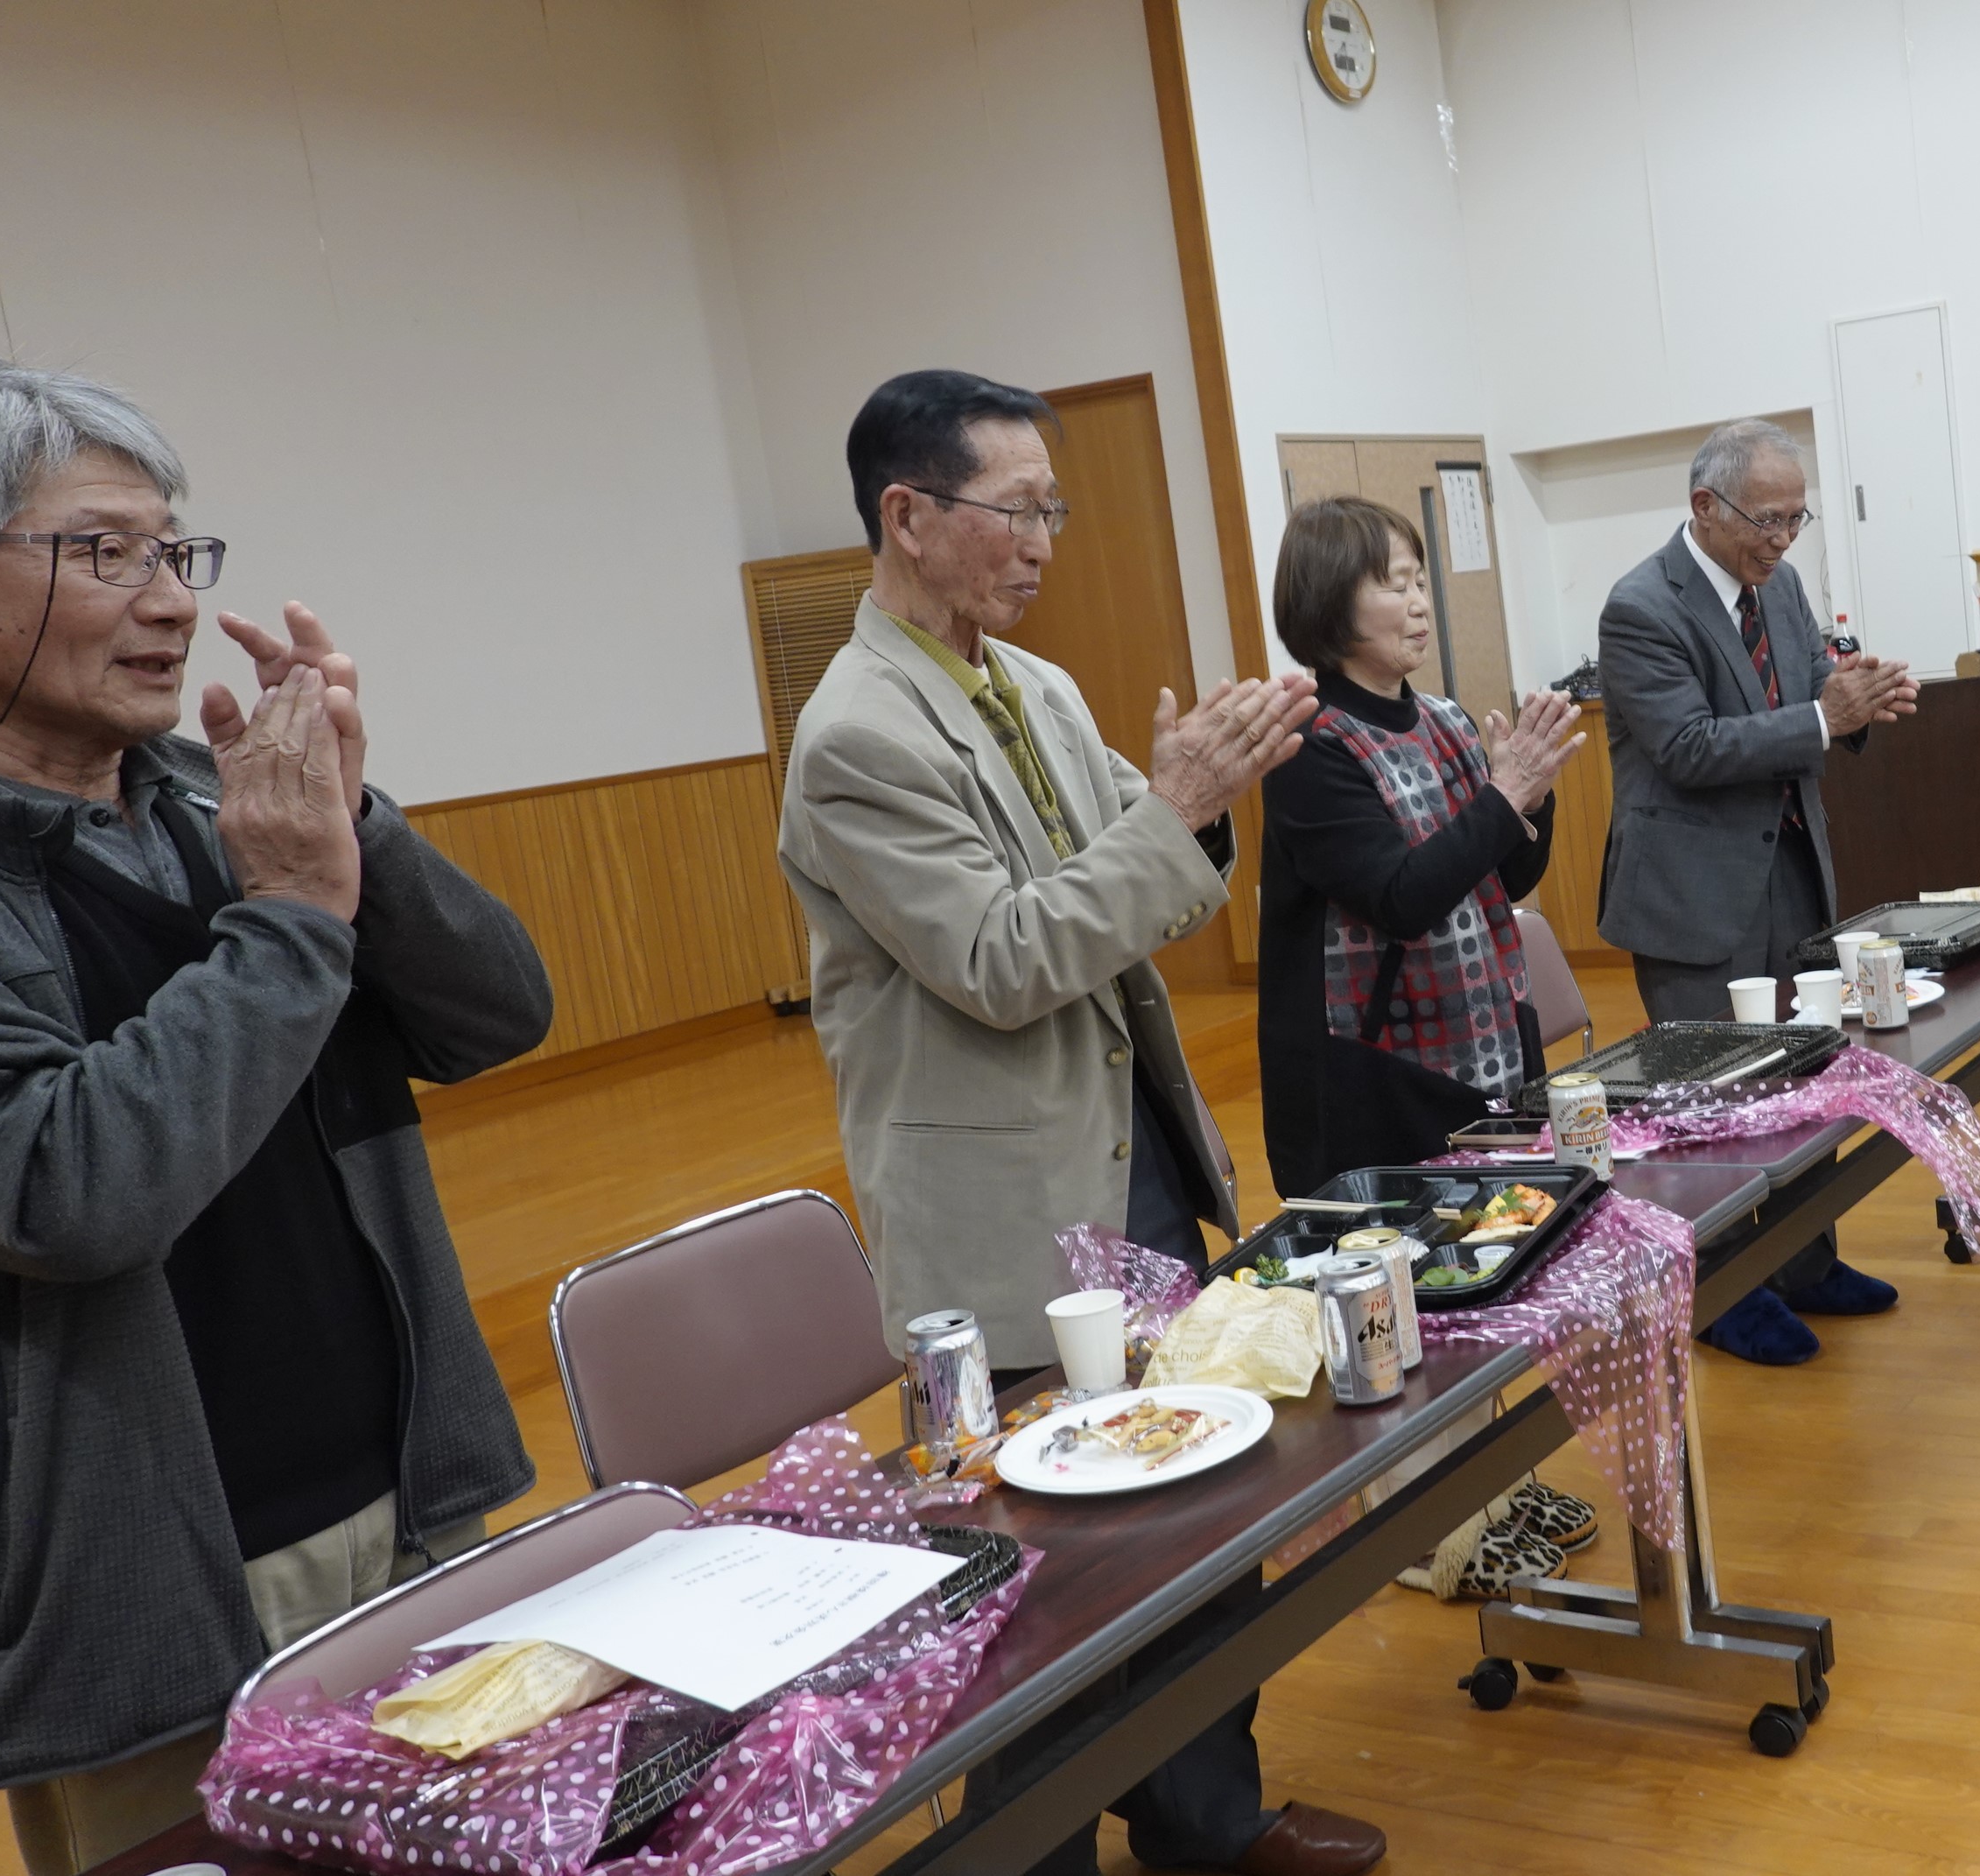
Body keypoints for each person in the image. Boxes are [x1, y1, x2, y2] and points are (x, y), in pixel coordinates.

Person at [0, 360, 547, 1876]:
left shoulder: (210, 792)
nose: (172, 601)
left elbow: (498, 1014)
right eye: (107, 552)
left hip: (405, 1493)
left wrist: (358, 829)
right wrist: (299, 911)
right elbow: (65, 1187)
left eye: (177, 550)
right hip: (133, 1586)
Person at [776, 369, 1384, 1876]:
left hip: (1130, 1154)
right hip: (1005, 1208)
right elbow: (1002, 959)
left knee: (1190, 1504)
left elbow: (1144, 860)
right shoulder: (856, 736)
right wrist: (1175, 810)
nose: (1046, 539)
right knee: (1048, 1582)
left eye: (1055, 507)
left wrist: (1209, 795)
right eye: (1018, 509)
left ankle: (1206, 1822)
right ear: (907, 515)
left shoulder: (1033, 685)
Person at [1597, 418, 1920, 1366]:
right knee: (1710, 1101)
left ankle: (1805, 1261)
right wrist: (1824, 716)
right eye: (1765, 519)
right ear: (1705, 505)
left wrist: (1858, 699)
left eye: (1794, 518)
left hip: (1789, 868)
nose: (1781, 539)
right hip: (1690, 893)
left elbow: (1812, 688)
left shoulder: (1777, 587)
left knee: (1802, 1075)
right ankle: (1723, 1291)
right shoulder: (1640, 607)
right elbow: (1689, 746)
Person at [1258, 494, 1584, 1191]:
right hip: (1378, 1073)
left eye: (1419, 581)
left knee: (1517, 1224)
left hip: (1489, 1037)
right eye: (1393, 585)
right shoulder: (1311, 745)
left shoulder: (1445, 719)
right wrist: (1504, 795)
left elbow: (1507, 878)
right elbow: (1401, 898)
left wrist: (1532, 795)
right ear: (1328, 603)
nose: (1420, 604)